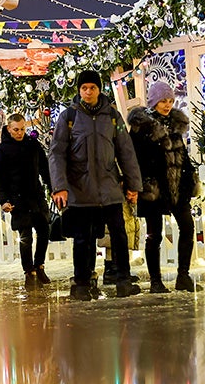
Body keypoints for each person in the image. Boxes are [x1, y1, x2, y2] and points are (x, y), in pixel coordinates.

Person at [49, 69, 143, 301]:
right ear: (79, 91)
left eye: (92, 87)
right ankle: (81, 283)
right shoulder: (69, 117)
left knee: (119, 235)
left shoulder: (112, 116)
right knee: (84, 238)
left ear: (99, 89)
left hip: (109, 187)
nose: (88, 92)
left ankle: (123, 280)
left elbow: (125, 151)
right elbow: (57, 153)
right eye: (84, 88)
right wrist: (59, 186)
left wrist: (133, 185)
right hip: (81, 189)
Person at [127, 81, 201, 293]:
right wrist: (139, 183)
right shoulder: (142, 126)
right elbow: (135, 157)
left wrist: (189, 178)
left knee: (187, 227)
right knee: (154, 234)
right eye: (163, 101)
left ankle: (183, 275)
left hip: (177, 185)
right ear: (153, 101)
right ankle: (156, 281)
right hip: (154, 187)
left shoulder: (175, 124)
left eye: (170, 100)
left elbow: (181, 154)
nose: (167, 105)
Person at [0, 113, 53, 290]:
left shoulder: (33, 145)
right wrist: (3, 200)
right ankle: (29, 272)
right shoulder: (2, 150)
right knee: (25, 237)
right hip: (17, 199)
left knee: (44, 231)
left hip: (36, 196)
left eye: (22, 129)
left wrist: (52, 188)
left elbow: (44, 168)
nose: (19, 133)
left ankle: (39, 265)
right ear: (9, 129)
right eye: (16, 129)